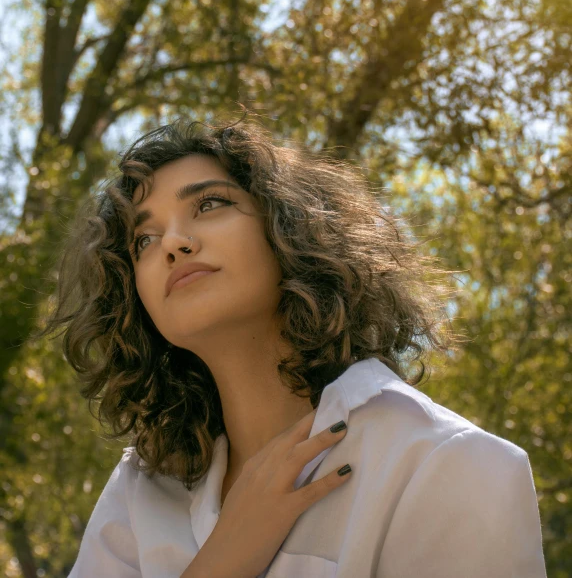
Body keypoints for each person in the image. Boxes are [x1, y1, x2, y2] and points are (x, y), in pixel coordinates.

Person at [41, 112, 547, 577]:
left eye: (210, 204)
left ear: (289, 228)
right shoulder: (140, 491)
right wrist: (226, 557)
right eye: (143, 240)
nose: (173, 242)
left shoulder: (445, 464)